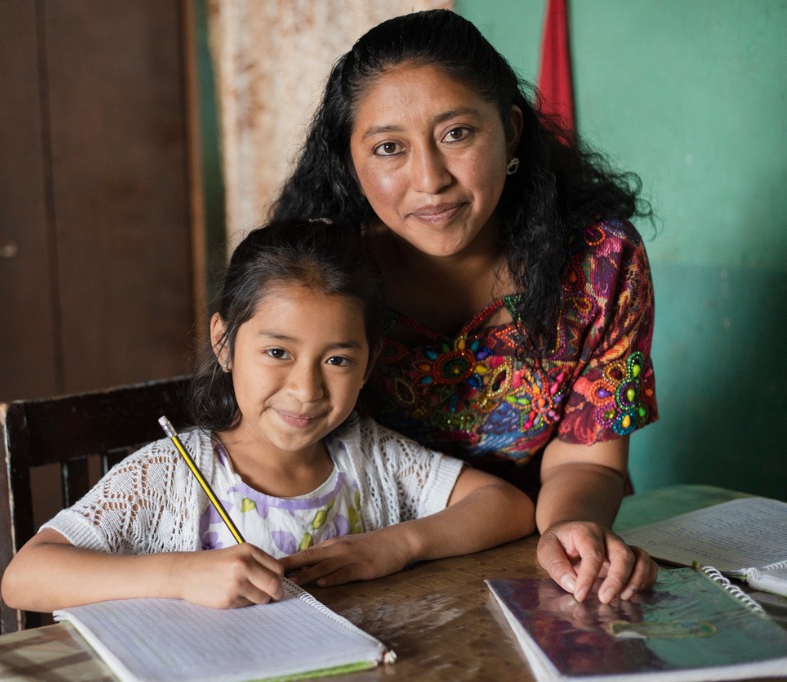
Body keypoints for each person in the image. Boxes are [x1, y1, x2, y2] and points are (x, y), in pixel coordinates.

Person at [270, 9, 659, 605]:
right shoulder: (320, 276)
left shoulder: (601, 264)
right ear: (351, 162)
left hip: (535, 565)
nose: (430, 179)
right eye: (389, 148)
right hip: (357, 568)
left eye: (456, 134)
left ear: (509, 131)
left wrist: (567, 529)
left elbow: (588, 456)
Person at [0, 220, 533, 612]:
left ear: (369, 363)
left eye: (338, 359)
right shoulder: (174, 475)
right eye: (277, 352)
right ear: (224, 342)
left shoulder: (369, 455)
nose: (305, 388)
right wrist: (181, 575)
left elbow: (507, 506)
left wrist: (396, 545)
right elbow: (25, 577)